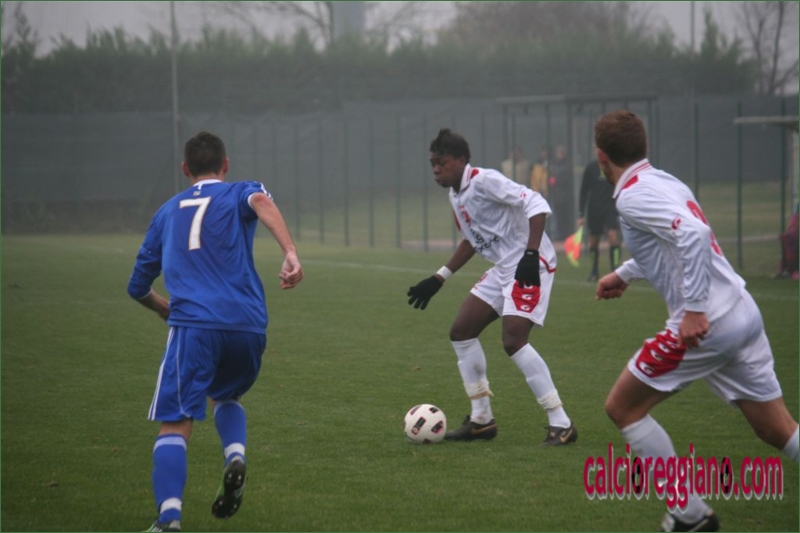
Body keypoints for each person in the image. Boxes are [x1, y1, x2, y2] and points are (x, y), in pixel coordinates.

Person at [594, 110, 798, 532]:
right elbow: (673, 241)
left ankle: (688, 513)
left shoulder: (631, 196)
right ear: (644, 147)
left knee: (623, 408)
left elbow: (694, 236)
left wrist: (694, 309)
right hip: (741, 309)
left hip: (708, 325)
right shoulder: (665, 180)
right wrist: (626, 273)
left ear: (601, 156)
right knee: (778, 429)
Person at [127, 131, 304, 532]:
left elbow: (137, 287)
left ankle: (169, 518)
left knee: (175, 421)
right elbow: (261, 202)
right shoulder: (240, 190)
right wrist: (290, 253)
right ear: (225, 165)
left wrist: (162, 308)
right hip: (248, 325)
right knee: (226, 394)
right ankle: (235, 454)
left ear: (185, 169)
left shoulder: (167, 212)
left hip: (194, 325)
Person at [406, 128, 577, 446]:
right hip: (504, 267)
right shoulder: (455, 195)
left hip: (531, 263)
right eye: (433, 164)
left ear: (460, 160)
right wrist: (439, 277)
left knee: (513, 339)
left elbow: (536, 203)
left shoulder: (484, 181)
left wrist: (531, 254)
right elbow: (473, 241)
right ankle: (481, 420)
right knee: (462, 331)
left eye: (442, 163)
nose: (436, 170)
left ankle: (561, 423)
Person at [576, 157, 622, 282]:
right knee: (593, 241)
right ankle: (594, 271)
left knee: (613, 236)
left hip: (611, 207)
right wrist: (581, 214)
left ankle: (615, 270)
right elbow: (584, 191)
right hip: (594, 209)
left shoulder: (614, 166)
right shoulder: (591, 168)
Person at [548, 144, 574, 240]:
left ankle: (566, 234)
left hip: (565, 195)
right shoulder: (554, 165)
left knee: (565, 215)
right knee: (558, 215)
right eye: (559, 153)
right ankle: (559, 235)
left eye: (562, 153)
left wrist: (556, 181)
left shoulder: (567, 165)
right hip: (556, 195)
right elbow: (550, 177)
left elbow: (567, 179)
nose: (560, 155)